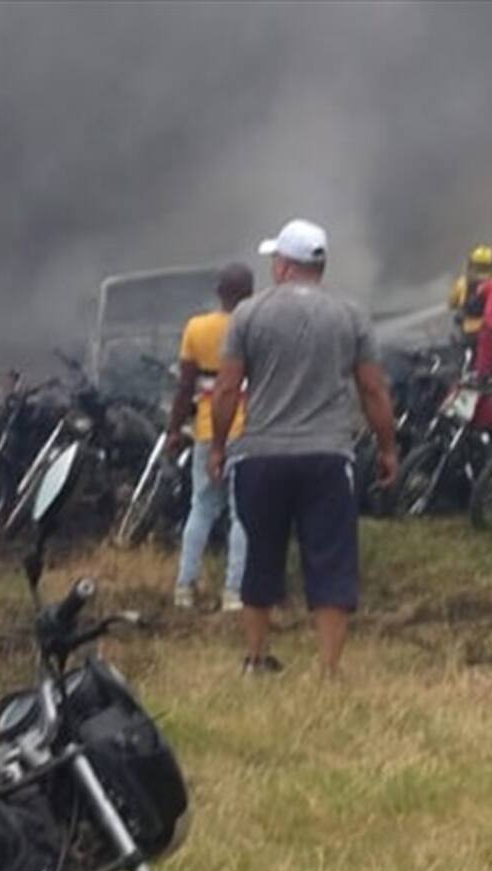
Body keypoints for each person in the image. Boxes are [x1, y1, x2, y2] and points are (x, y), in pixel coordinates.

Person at [208, 218, 398, 677]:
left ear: (284, 265)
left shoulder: (248, 314)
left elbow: (227, 388)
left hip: (261, 456)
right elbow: (372, 388)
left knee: (262, 555)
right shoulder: (349, 315)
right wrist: (388, 447)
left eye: (275, 258)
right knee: (331, 557)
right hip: (328, 457)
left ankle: (255, 658)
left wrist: (218, 446)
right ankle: (329, 668)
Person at [167, 263, 253, 612]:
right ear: (249, 293)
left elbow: (185, 385)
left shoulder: (196, 328)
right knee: (242, 514)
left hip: (207, 429)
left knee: (201, 507)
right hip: (248, 430)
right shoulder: (252, 326)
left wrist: (174, 428)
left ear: (218, 291)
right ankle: (233, 592)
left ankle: (184, 587)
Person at [448, 244, 492, 348]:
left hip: (468, 331)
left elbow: (452, 303)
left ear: (471, 265)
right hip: (491, 331)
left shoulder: (462, 283)